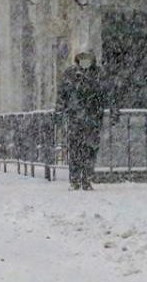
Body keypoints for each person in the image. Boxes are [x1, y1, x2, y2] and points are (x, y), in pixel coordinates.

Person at [57, 51, 118, 191]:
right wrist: (59, 112)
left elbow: (109, 94)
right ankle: (75, 179)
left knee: (90, 149)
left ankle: (86, 178)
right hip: (77, 118)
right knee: (75, 149)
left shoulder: (98, 74)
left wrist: (114, 111)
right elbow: (62, 95)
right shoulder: (71, 74)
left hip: (92, 117)